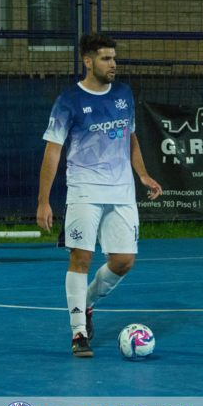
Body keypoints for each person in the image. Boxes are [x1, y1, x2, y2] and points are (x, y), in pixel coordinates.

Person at [36, 33, 162, 358]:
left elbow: (130, 138)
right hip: (84, 191)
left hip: (122, 192)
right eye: (106, 58)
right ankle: (79, 332)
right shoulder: (68, 101)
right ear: (88, 61)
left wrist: (143, 174)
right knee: (82, 258)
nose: (113, 64)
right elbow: (52, 153)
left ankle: (87, 302)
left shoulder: (124, 93)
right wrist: (43, 200)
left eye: (114, 58)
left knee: (123, 261)